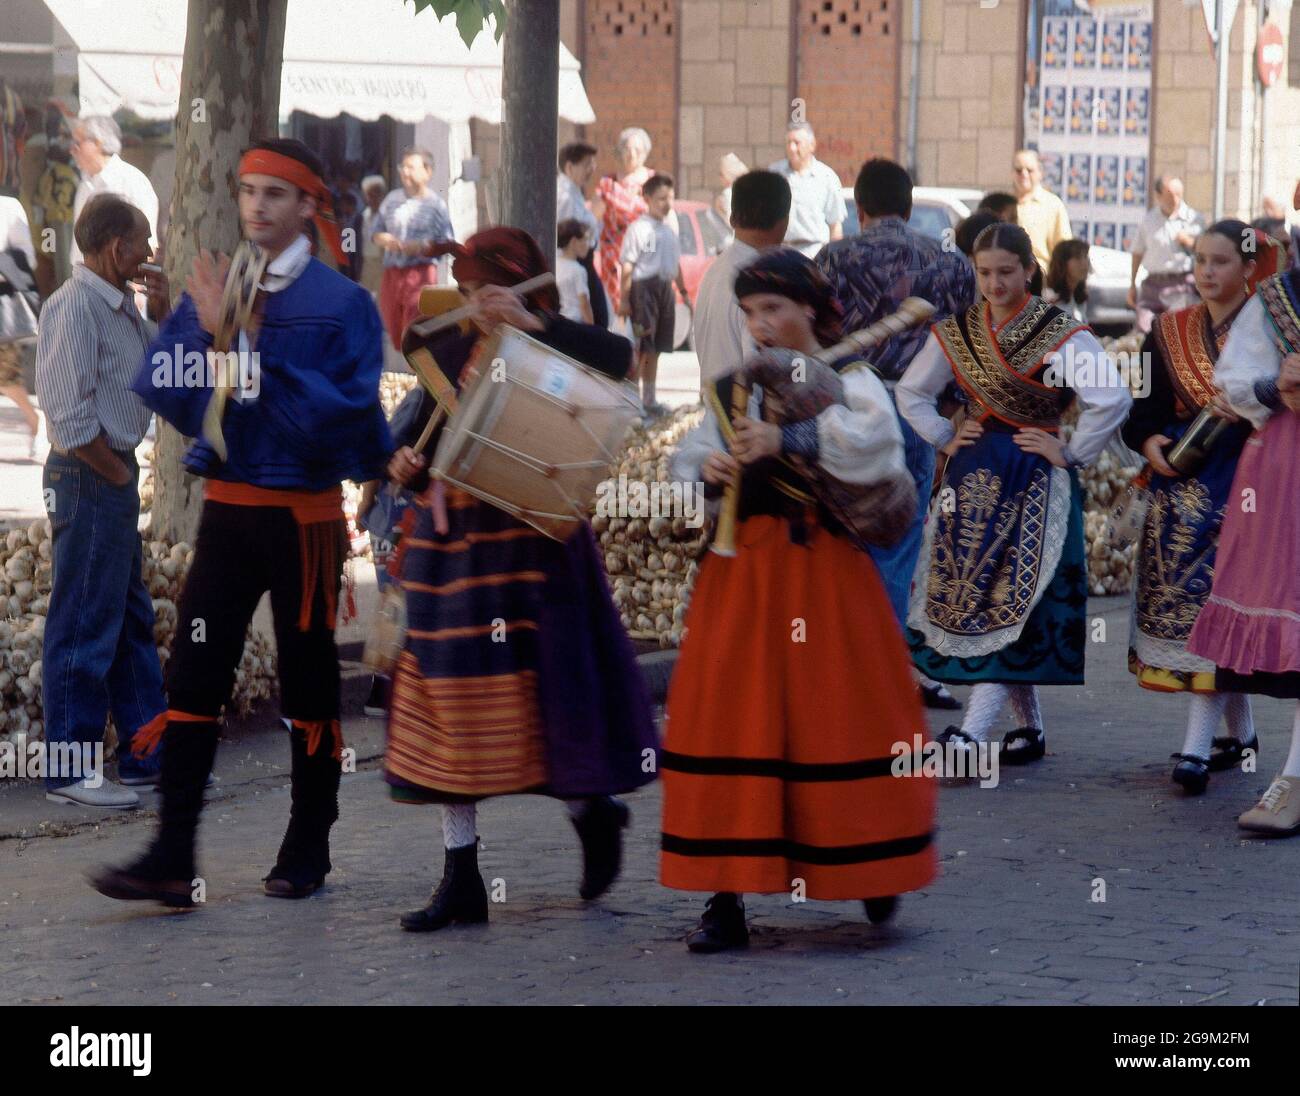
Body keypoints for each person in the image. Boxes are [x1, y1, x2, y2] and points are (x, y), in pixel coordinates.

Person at [89, 138, 391, 907]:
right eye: (248, 191)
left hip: (304, 521)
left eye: (275, 194)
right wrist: (209, 331)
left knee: (309, 681)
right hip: (227, 515)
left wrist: (241, 344)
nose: (255, 205)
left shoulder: (345, 304)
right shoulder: (217, 288)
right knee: (193, 676)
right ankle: (171, 853)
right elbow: (166, 386)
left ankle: (307, 844)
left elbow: (347, 423)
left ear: (310, 207)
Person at [382, 226, 657, 932]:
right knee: (450, 713)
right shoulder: (447, 347)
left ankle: (593, 813)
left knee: (551, 705)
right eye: (468, 293)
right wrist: (400, 465)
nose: (477, 306)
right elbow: (414, 432)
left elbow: (621, 361)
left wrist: (533, 324)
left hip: (540, 552)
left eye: (490, 293)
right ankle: (461, 876)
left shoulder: (555, 345)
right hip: (458, 558)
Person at [662, 248, 936, 953]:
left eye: (773, 309)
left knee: (837, 718)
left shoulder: (849, 377)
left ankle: (871, 863)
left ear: (809, 309)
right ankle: (724, 898)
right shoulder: (734, 388)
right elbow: (688, 456)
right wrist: (711, 464)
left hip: (824, 573)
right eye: (750, 312)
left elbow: (878, 446)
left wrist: (789, 437)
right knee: (732, 724)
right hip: (743, 575)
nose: (760, 324)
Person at [897, 224, 1131, 768]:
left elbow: (1111, 398)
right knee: (977, 593)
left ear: (1029, 268)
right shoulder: (956, 331)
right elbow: (911, 392)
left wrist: (1069, 452)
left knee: (1012, 597)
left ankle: (974, 735)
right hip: (973, 475)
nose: (995, 283)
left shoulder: (1060, 333)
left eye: (1007, 271)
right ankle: (1029, 729)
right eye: (984, 273)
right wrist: (944, 435)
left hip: (1032, 476)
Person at [817, 157, 977, 711]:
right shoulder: (950, 263)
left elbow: (815, 345)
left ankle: (849, 662)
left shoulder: (833, 258)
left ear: (858, 209)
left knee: (846, 533)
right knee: (905, 536)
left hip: (849, 407)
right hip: (917, 409)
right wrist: (951, 421)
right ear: (909, 209)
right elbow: (967, 347)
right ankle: (894, 664)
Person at [35, 194, 171, 808]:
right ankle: (69, 770)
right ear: (117, 248)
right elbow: (66, 415)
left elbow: (162, 375)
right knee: (85, 620)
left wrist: (165, 311)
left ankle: (147, 758)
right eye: (143, 242)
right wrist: (116, 475)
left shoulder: (121, 311)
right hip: (90, 475)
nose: (149, 254)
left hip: (108, 475)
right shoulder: (76, 307)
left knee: (127, 622)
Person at [1121, 221, 1261, 797]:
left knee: (1218, 606)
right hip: (1178, 487)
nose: (1206, 271)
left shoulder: (1272, 330)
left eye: (1222, 261)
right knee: (1188, 606)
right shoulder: (1169, 328)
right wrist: (1148, 442)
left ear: (1249, 269)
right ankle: (1242, 736)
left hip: (1248, 486)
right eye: (1200, 259)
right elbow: (1142, 408)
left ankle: (1197, 749)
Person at [1185, 257, 1300, 835]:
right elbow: (1233, 380)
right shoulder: (1280, 298)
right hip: (1284, 474)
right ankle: (1296, 778)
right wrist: (1279, 385)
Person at [693, 170, 789, 388]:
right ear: (784, 221)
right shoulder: (764, 280)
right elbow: (763, 368)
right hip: (746, 413)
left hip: (717, 408)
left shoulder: (714, 271)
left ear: (732, 218)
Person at [370, 148, 457, 350]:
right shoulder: (392, 200)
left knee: (416, 328)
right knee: (392, 326)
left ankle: (417, 374)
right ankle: (400, 375)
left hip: (421, 274)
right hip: (392, 273)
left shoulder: (436, 205)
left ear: (427, 172)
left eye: (411, 167)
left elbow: (448, 243)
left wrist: (422, 247)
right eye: (403, 167)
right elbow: (375, 232)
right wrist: (387, 240)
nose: (405, 172)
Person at [618, 173, 686, 415]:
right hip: (643, 291)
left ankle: (649, 398)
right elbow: (628, 266)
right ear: (647, 199)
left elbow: (675, 265)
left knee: (657, 347)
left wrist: (684, 292)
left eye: (670, 197)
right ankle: (631, 398)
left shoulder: (669, 229)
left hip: (665, 289)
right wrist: (624, 299)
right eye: (661, 199)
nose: (667, 203)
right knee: (643, 346)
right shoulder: (638, 229)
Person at [68, 116, 159, 267]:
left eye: (77, 143)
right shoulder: (85, 185)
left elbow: (149, 244)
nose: (72, 150)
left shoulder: (132, 181)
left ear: (98, 143)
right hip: (85, 282)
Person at [1128, 176, 1203, 333]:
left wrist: (1190, 242)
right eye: (1170, 195)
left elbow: (1207, 252)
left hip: (1181, 283)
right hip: (1153, 284)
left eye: (1178, 195)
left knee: (1177, 332)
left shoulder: (1194, 219)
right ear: (1158, 195)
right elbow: (1137, 253)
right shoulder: (1148, 220)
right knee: (1143, 329)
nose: (1175, 200)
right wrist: (1132, 284)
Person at [0, 192, 43, 457]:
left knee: (5, 377)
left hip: (2, 303)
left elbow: (27, 256)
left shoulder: (8, 207)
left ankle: (35, 420)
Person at [596, 127, 655, 314]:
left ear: (645, 153)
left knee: (643, 309)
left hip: (644, 254)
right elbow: (592, 218)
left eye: (637, 150)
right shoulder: (608, 183)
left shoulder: (653, 181)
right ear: (620, 151)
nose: (632, 154)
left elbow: (665, 218)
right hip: (613, 258)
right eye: (627, 149)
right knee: (616, 312)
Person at [769, 123, 844, 258]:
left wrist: (834, 261)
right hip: (780, 253)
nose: (792, 148)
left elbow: (835, 225)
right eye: (788, 143)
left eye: (797, 143)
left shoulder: (827, 177)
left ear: (812, 145)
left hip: (814, 254)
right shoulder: (774, 174)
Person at [556, 141, 608, 328]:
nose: (592, 169)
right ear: (570, 167)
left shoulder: (574, 192)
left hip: (582, 261)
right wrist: (594, 215)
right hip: (573, 263)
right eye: (587, 164)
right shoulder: (564, 196)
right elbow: (568, 232)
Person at [1012, 149, 1071, 271]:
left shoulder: (1052, 204)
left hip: (1040, 280)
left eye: (1029, 170)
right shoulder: (1007, 204)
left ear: (1040, 173)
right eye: (1019, 170)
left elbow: (1064, 249)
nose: (1024, 174)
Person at [1042, 238, 1090, 324]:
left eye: (1085, 256)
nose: (1084, 263)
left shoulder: (1078, 298)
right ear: (1062, 263)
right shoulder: (1049, 297)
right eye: (1077, 258)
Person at [556, 217, 593, 324]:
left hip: (560, 321)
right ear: (573, 241)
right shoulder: (578, 270)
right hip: (576, 323)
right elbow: (584, 304)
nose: (588, 245)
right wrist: (593, 330)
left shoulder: (555, 263)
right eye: (586, 239)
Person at [359, 174, 386, 296]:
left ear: (382, 195)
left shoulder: (388, 217)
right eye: (369, 194)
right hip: (365, 265)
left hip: (383, 266)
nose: (372, 198)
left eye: (376, 194)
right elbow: (350, 245)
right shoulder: (360, 217)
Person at [714, 152, 748, 224]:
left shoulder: (728, 193)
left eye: (721, 174)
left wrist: (719, 211)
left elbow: (730, 222)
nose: (720, 178)